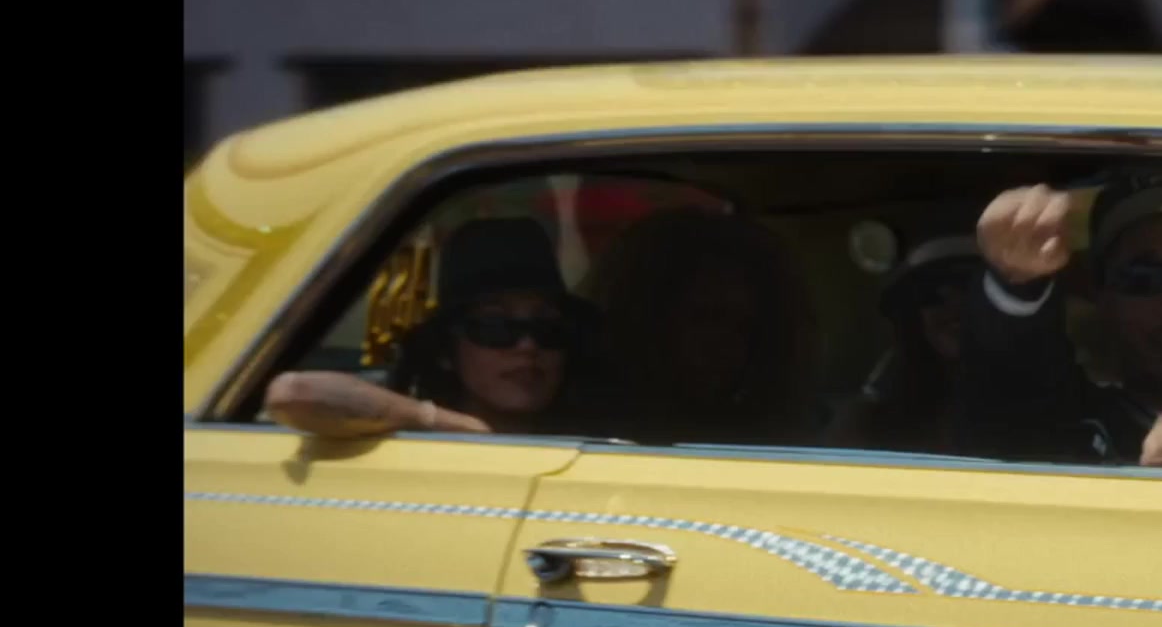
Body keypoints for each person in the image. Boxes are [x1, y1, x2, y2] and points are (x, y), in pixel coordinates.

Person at [958, 169, 1162, 470]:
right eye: (1142, 277)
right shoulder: (1060, 422)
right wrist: (1018, 282)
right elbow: (1011, 379)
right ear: (1105, 303)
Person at [266, 217, 605, 439]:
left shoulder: (602, 444)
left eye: (548, 328)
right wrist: (453, 426)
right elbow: (293, 393)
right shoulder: (421, 441)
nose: (528, 346)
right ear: (446, 351)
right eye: (494, 326)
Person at [587, 208, 820, 446]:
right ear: (649, 319)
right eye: (706, 318)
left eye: (744, 327)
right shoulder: (586, 428)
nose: (727, 343)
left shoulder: (772, 437)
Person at [827, 233, 983, 455]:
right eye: (929, 294)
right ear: (912, 318)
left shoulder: (1028, 404)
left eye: (968, 286)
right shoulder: (866, 422)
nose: (953, 305)